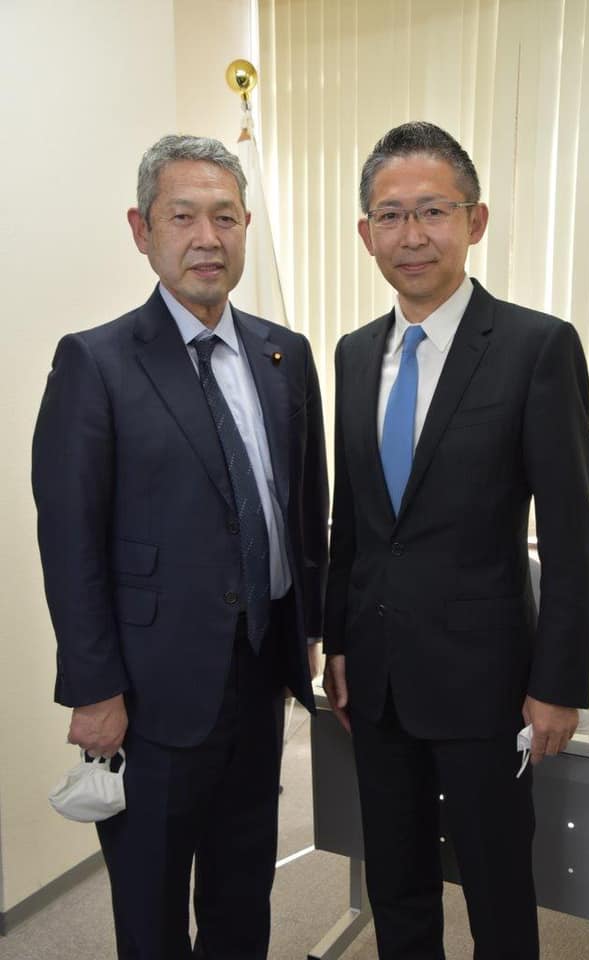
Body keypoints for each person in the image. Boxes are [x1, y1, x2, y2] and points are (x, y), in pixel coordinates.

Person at [32, 134, 328, 960]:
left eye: (225, 218)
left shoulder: (284, 354)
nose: (208, 238)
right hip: (149, 694)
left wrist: (309, 629)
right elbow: (70, 540)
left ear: (246, 228)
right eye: (183, 217)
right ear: (142, 230)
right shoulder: (95, 362)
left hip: (260, 674)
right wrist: (94, 690)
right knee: (153, 908)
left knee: (243, 892)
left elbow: (305, 508)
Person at [322, 122, 589, 960]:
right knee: (397, 885)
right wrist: (338, 644)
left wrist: (557, 685)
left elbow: (570, 535)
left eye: (432, 210)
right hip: (377, 682)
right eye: (390, 215)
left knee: (497, 890)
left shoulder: (535, 347)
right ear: (366, 233)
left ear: (474, 221)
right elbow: (352, 522)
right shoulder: (354, 354)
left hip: (486, 683)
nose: (411, 235)